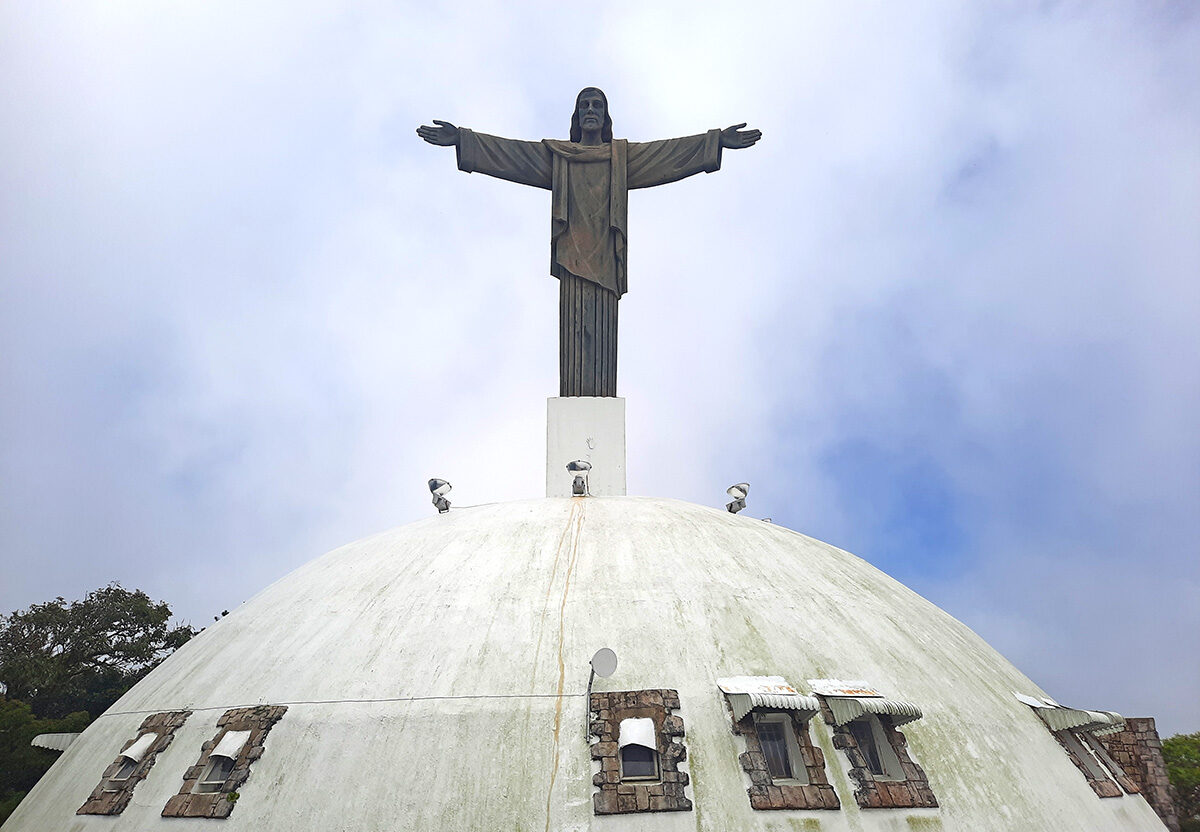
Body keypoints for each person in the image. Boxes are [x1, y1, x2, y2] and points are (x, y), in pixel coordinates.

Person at [418, 87, 760, 397]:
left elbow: (667, 155)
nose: (591, 110)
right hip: (572, 261)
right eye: (584, 105)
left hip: (605, 264)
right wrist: (464, 140)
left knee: (602, 352)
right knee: (574, 345)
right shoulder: (559, 156)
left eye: (598, 105)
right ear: (577, 116)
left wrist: (713, 142)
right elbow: (513, 156)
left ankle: (597, 407)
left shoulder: (622, 160)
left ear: (606, 116)